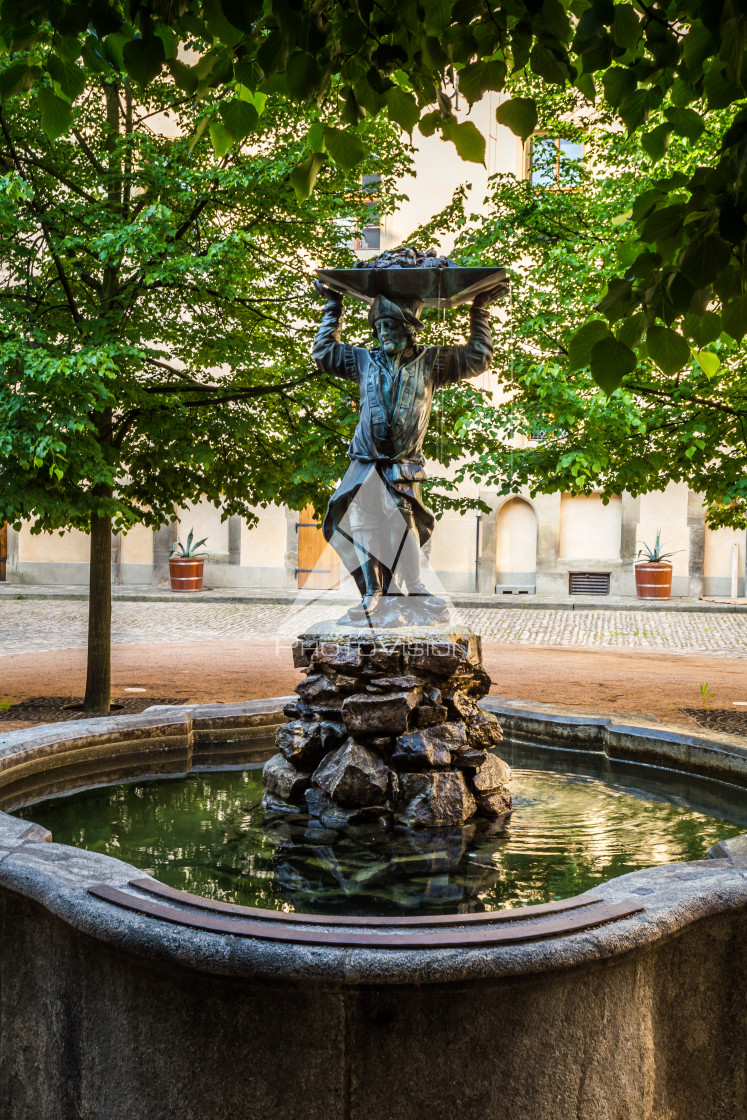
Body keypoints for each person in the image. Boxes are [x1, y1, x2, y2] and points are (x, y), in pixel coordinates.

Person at [312, 279, 501, 623]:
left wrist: (479, 310)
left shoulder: (433, 361)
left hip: (403, 465)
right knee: (362, 521)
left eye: (391, 326)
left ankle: (413, 588)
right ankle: (374, 594)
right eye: (379, 327)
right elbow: (325, 354)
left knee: (402, 520)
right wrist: (332, 308)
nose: (383, 333)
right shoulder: (363, 360)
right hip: (365, 461)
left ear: (410, 329)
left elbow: (478, 357)